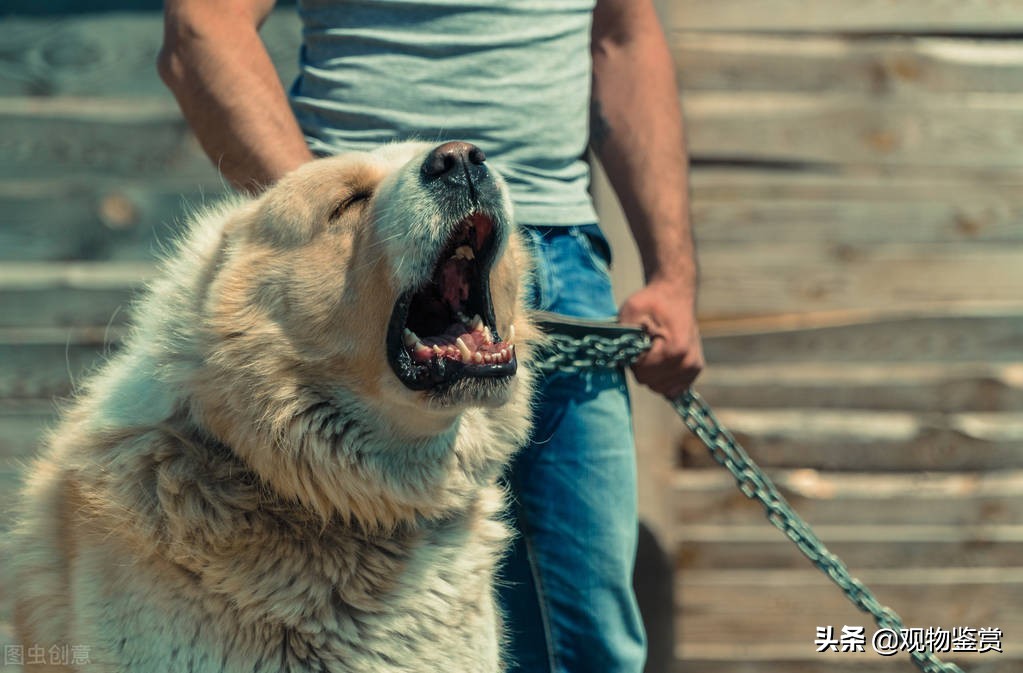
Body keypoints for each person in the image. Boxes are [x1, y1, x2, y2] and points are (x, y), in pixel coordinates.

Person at [159, 1, 703, 671]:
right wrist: (340, 225)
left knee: (589, 641)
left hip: (560, 259)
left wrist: (671, 276)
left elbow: (623, 36)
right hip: (367, 280)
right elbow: (200, 29)